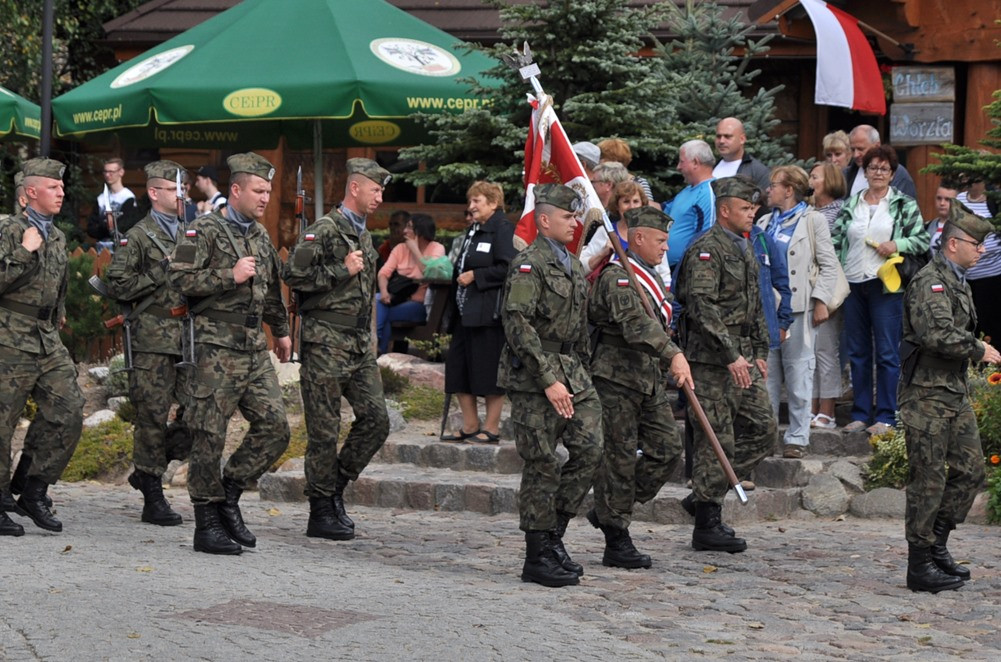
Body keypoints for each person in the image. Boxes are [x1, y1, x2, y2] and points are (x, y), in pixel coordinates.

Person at [168, 152, 291, 555]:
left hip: (253, 347)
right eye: (258, 190)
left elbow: (269, 289)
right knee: (209, 434)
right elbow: (177, 278)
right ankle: (206, 523)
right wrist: (229, 275)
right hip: (214, 348)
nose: (265, 198)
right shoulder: (202, 230)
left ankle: (230, 494)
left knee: (275, 427)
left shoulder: (260, 235)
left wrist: (281, 332)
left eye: (268, 191)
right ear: (236, 190)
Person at [498, 183, 602, 587]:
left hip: (572, 371)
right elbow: (517, 324)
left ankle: (553, 533)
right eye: (567, 217)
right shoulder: (529, 264)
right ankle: (537, 554)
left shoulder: (573, 264)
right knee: (542, 462)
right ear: (543, 220)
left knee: (591, 449)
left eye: (576, 216)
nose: (575, 223)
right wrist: (548, 380)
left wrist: (581, 373)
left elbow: (579, 329)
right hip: (534, 376)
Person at [282, 157, 391, 542]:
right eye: (375, 190)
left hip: (358, 345)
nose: (379, 197)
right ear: (355, 188)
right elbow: (292, 274)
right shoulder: (325, 230)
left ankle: (335, 486)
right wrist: (341, 270)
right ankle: (321, 509)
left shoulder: (364, 234)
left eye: (381, 191)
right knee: (324, 430)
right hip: (325, 342)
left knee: (377, 420)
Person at [899, 203, 999, 593]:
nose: (982, 251)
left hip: (952, 391)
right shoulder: (931, 282)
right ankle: (919, 564)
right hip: (926, 394)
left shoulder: (958, 281)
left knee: (971, 470)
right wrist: (979, 349)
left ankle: (937, 544)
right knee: (928, 478)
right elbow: (935, 334)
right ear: (953, 243)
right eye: (977, 244)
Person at [586, 206, 692, 569]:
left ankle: (610, 509)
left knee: (667, 450)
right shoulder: (617, 277)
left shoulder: (649, 276)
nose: (666, 247)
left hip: (647, 380)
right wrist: (673, 353)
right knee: (618, 458)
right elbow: (635, 326)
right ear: (639, 237)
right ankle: (616, 538)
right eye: (661, 240)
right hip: (615, 379)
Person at [674, 177, 777, 553]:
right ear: (724, 210)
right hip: (712, 360)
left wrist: (760, 349)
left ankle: (705, 492)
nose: (752, 214)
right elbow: (701, 307)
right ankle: (707, 524)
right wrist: (731, 353)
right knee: (714, 437)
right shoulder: (707, 249)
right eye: (746, 209)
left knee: (764, 429)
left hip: (742, 355)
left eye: (754, 208)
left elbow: (755, 302)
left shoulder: (744, 245)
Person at [105, 160, 193, 527]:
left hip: (189, 338)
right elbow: (117, 285)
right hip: (152, 339)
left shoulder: (191, 232)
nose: (180, 195)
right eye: (173, 189)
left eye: (182, 189)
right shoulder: (138, 236)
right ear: (155, 193)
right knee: (152, 418)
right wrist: (163, 267)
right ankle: (153, 495)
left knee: (200, 414)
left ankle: (146, 470)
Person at [0, 158, 85, 537]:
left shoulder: (58, 236)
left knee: (69, 410)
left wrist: (59, 313)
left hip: (46, 338)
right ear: (31, 192)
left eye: (62, 187)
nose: (61, 192)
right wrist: (23, 250)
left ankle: (33, 489)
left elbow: (59, 283)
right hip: (8, 338)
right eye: (53, 187)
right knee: (1, 425)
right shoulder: (9, 230)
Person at [832, 145, 929, 435]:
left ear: (892, 174)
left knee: (887, 352)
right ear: (865, 172)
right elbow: (836, 240)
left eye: (884, 169)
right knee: (858, 352)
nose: (878, 173)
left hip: (886, 284)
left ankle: (886, 416)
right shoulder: (852, 203)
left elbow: (922, 240)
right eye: (873, 168)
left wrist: (897, 244)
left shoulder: (902, 204)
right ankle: (861, 414)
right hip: (853, 282)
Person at [759, 166, 842, 458]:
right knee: (767, 378)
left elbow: (829, 265)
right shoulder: (764, 221)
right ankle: (765, 438)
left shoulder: (812, 220)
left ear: (789, 190)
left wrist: (821, 301)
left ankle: (797, 438)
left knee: (799, 375)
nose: (768, 190)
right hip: (767, 311)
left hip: (799, 309)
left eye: (773, 185)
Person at [441, 181, 516, 445]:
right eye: (470, 201)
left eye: (477, 201)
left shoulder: (502, 229)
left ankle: (491, 428)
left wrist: (476, 275)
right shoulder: (475, 229)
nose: (471, 206)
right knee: (458, 367)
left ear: (493, 203)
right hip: (465, 312)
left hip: (488, 315)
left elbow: (509, 266)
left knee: (488, 370)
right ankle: (470, 425)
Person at [808, 162, 849, 429]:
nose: (809, 181)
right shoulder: (809, 211)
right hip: (806, 288)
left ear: (830, 180)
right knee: (810, 351)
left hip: (828, 289)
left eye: (815, 177)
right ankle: (810, 406)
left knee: (825, 349)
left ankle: (828, 410)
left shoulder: (841, 212)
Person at [375, 213, 445, 354]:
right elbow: (383, 273)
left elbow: (429, 273)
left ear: (421, 230)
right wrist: (384, 291)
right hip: (397, 299)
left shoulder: (436, 248)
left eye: (409, 227)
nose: (404, 231)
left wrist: (414, 249)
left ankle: (377, 348)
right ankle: (379, 349)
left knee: (379, 313)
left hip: (420, 304)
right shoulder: (400, 248)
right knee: (377, 299)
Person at [580, 181, 670, 285]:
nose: (632, 207)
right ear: (617, 206)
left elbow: (665, 275)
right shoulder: (606, 232)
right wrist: (603, 253)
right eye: (626, 202)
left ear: (642, 204)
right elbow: (581, 266)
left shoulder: (654, 232)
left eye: (636, 201)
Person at [958, 179, 1001, 343]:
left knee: (992, 327)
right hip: (965, 278)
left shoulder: (995, 200)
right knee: (969, 327)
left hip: (992, 277)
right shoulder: (960, 199)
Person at [665, 139, 717, 269]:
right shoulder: (687, 190)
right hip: (670, 268)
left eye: (681, 161)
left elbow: (707, 237)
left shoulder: (709, 192)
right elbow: (660, 210)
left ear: (695, 162)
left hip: (687, 269)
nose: (678, 167)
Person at [845, 125, 917, 198]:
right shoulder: (846, 174)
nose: (856, 155)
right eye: (853, 150)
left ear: (877, 146)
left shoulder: (899, 174)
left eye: (861, 149)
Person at [86, 157, 141, 245]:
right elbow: (91, 228)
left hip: (121, 246)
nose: (108, 175)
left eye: (111, 172)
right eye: (105, 171)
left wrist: (104, 228)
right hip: (102, 246)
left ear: (121, 172)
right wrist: (107, 229)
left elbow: (125, 226)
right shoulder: (101, 199)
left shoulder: (128, 197)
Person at [712, 117, 771, 192]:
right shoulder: (710, 167)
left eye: (727, 136)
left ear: (742, 139)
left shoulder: (758, 172)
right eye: (718, 136)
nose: (721, 141)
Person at [598, 138, 656, 205]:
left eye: (602, 158)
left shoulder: (639, 182)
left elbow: (648, 208)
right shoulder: (598, 181)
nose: (599, 161)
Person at [926, 184, 959, 253]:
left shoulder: (964, 228)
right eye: (939, 198)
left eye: (947, 199)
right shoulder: (927, 227)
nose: (942, 203)